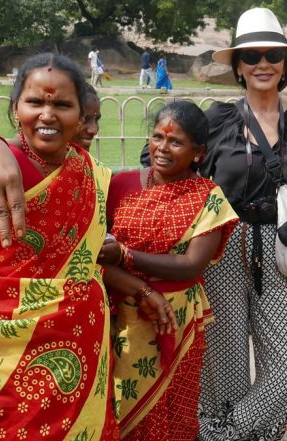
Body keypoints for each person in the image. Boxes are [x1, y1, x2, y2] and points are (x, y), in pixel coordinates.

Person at [191, 8, 287, 440]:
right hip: (222, 245)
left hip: (279, 247)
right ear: (237, 66)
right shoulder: (216, 119)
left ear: (286, 63)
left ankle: (217, 435)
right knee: (226, 372)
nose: (263, 63)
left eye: (273, 54)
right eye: (251, 56)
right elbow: (162, 156)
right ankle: (221, 424)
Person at [0, 53, 120, 439]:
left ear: (81, 113)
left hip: (82, 344)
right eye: (35, 102)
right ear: (15, 108)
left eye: (62, 104)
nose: (48, 114)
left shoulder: (92, 175)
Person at [101, 101, 238, 440]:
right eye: (157, 137)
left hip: (177, 322)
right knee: (116, 408)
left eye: (175, 142)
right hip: (118, 317)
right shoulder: (120, 185)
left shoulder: (209, 198)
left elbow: (190, 264)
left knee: (173, 409)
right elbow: (96, 258)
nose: (162, 148)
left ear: (198, 152)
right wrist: (139, 287)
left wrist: (125, 254)